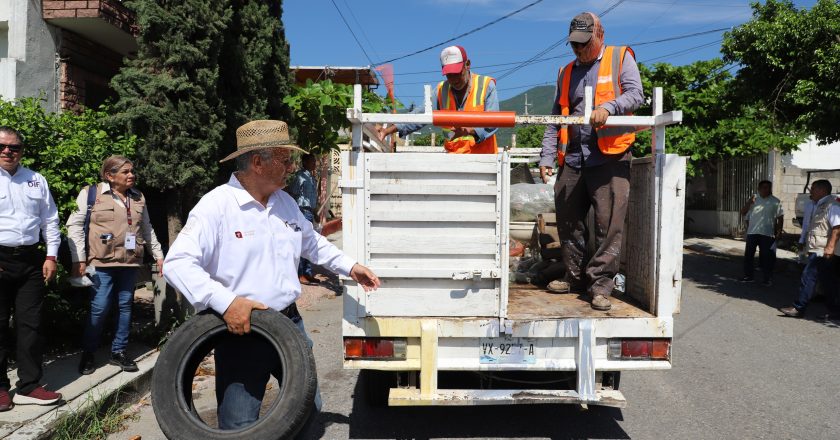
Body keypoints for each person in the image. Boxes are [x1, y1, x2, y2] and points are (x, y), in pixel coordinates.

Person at [163, 120, 380, 429]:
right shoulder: (216, 207)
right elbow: (177, 263)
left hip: (289, 324)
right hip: (240, 331)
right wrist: (226, 302)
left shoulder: (285, 203)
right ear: (257, 163)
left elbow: (312, 243)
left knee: (306, 411)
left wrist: (350, 267)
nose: (291, 166)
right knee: (239, 425)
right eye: (284, 158)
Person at [537, 12, 644, 311]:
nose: (579, 50)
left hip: (610, 155)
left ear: (600, 35)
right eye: (574, 45)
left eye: (584, 44)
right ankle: (573, 277)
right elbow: (555, 117)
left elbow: (636, 94)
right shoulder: (565, 72)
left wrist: (609, 107)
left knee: (608, 225)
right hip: (574, 156)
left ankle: (600, 285)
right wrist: (546, 155)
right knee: (568, 216)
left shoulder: (620, 57)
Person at [67, 156, 165, 375]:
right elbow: (74, 226)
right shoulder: (91, 194)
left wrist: (158, 255)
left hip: (129, 262)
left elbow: (146, 228)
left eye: (132, 171)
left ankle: (118, 352)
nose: (132, 175)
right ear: (109, 176)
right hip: (100, 263)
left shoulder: (138, 196)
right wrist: (79, 259)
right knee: (99, 308)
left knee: (125, 308)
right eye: (126, 172)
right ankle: (89, 352)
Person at [0, 126, 62, 411]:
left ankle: (28, 386)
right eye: (2, 146)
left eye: (14, 147)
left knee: (31, 325)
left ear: (22, 150)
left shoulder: (36, 180)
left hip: (30, 261)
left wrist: (51, 257)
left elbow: (50, 220)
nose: (8, 151)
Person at [377, 45, 500, 154]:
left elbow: (494, 122)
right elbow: (420, 115)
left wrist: (470, 131)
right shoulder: (441, 90)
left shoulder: (486, 85)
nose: (454, 79)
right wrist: (388, 130)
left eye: (457, 73)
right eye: (449, 75)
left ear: (467, 65)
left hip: (484, 159)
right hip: (454, 159)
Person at [780, 180, 839, 318]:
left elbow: (837, 227)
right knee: (828, 281)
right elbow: (809, 226)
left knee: (808, 276)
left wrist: (830, 247)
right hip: (815, 247)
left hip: (823, 249)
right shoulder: (815, 204)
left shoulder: (832, 205)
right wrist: (802, 242)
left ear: (822, 190)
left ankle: (799, 307)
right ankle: (835, 310)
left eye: (813, 188)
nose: (810, 191)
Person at [739, 180, 783, 286]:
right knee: (749, 256)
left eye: (768, 187)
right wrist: (749, 202)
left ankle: (767, 279)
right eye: (763, 187)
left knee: (767, 257)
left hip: (767, 234)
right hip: (752, 233)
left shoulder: (776, 201)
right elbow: (743, 212)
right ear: (759, 189)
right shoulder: (754, 200)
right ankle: (748, 276)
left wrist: (779, 231)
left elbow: (780, 218)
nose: (766, 189)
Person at [289, 153, 319, 285]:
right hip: (301, 211)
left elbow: (313, 198)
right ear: (305, 163)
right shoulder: (300, 177)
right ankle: (300, 273)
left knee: (310, 242)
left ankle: (308, 272)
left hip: (310, 212)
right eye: (312, 161)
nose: (315, 164)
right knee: (301, 243)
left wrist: (316, 212)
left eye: (315, 161)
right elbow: (293, 193)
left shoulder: (312, 177)